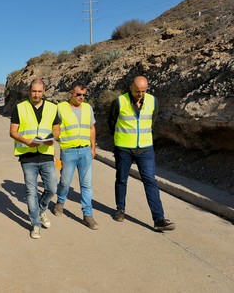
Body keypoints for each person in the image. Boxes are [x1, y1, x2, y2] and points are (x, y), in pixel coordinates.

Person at [107, 76, 176, 232]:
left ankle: (159, 219)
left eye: (143, 91)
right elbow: (111, 122)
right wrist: (121, 138)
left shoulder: (152, 101)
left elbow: (153, 119)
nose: (140, 94)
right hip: (124, 148)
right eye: (137, 91)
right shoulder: (119, 101)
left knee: (150, 181)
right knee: (121, 179)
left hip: (145, 148)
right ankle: (120, 209)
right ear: (131, 87)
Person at [10, 78, 61, 239]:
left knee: (52, 188)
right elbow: (13, 131)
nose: (36, 94)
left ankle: (41, 210)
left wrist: (52, 139)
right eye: (34, 91)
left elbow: (57, 130)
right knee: (31, 192)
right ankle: (35, 224)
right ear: (29, 91)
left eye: (39, 91)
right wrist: (27, 141)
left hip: (46, 153)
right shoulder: (19, 108)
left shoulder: (53, 108)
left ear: (44, 91)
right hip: (28, 155)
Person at [54, 82, 99, 230]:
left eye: (84, 95)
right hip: (68, 151)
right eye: (78, 94)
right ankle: (60, 202)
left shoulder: (88, 108)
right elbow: (54, 127)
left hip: (85, 151)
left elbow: (92, 128)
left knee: (86, 184)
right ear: (70, 95)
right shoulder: (60, 108)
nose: (81, 97)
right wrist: (57, 139)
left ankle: (88, 215)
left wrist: (93, 147)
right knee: (65, 182)